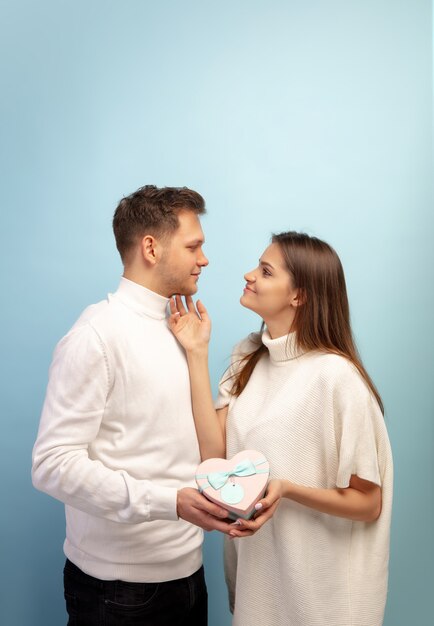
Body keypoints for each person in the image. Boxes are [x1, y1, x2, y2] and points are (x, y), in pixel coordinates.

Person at [169, 231, 393, 626]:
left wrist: (286, 490)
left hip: (323, 603)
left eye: (266, 271)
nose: (249, 274)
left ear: (299, 296)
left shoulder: (336, 378)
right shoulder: (248, 356)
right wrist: (196, 352)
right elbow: (214, 458)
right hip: (262, 593)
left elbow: (368, 503)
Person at [32, 185, 232, 626]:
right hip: (119, 594)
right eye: (194, 246)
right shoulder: (96, 336)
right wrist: (168, 501)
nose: (205, 259)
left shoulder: (179, 329)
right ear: (150, 247)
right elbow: (51, 464)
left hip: (188, 574)